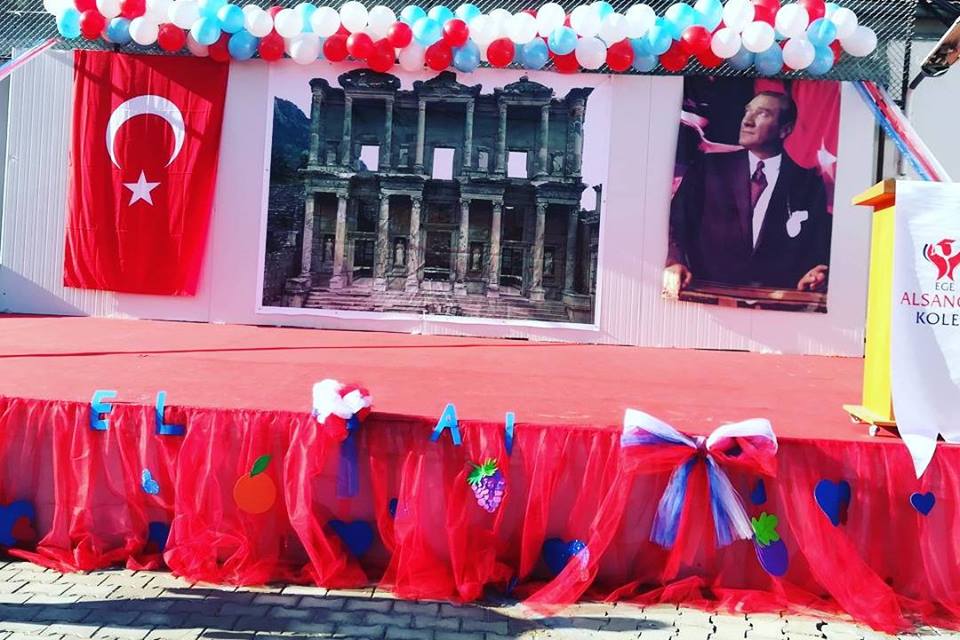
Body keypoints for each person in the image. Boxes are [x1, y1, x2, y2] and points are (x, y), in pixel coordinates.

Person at [664, 91, 832, 297]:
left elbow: (817, 247)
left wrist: (814, 273)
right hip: (708, 297)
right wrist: (675, 262)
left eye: (762, 114)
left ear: (785, 130)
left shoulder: (808, 184)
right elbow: (676, 222)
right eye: (747, 111)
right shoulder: (708, 169)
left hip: (777, 303)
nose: (747, 121)